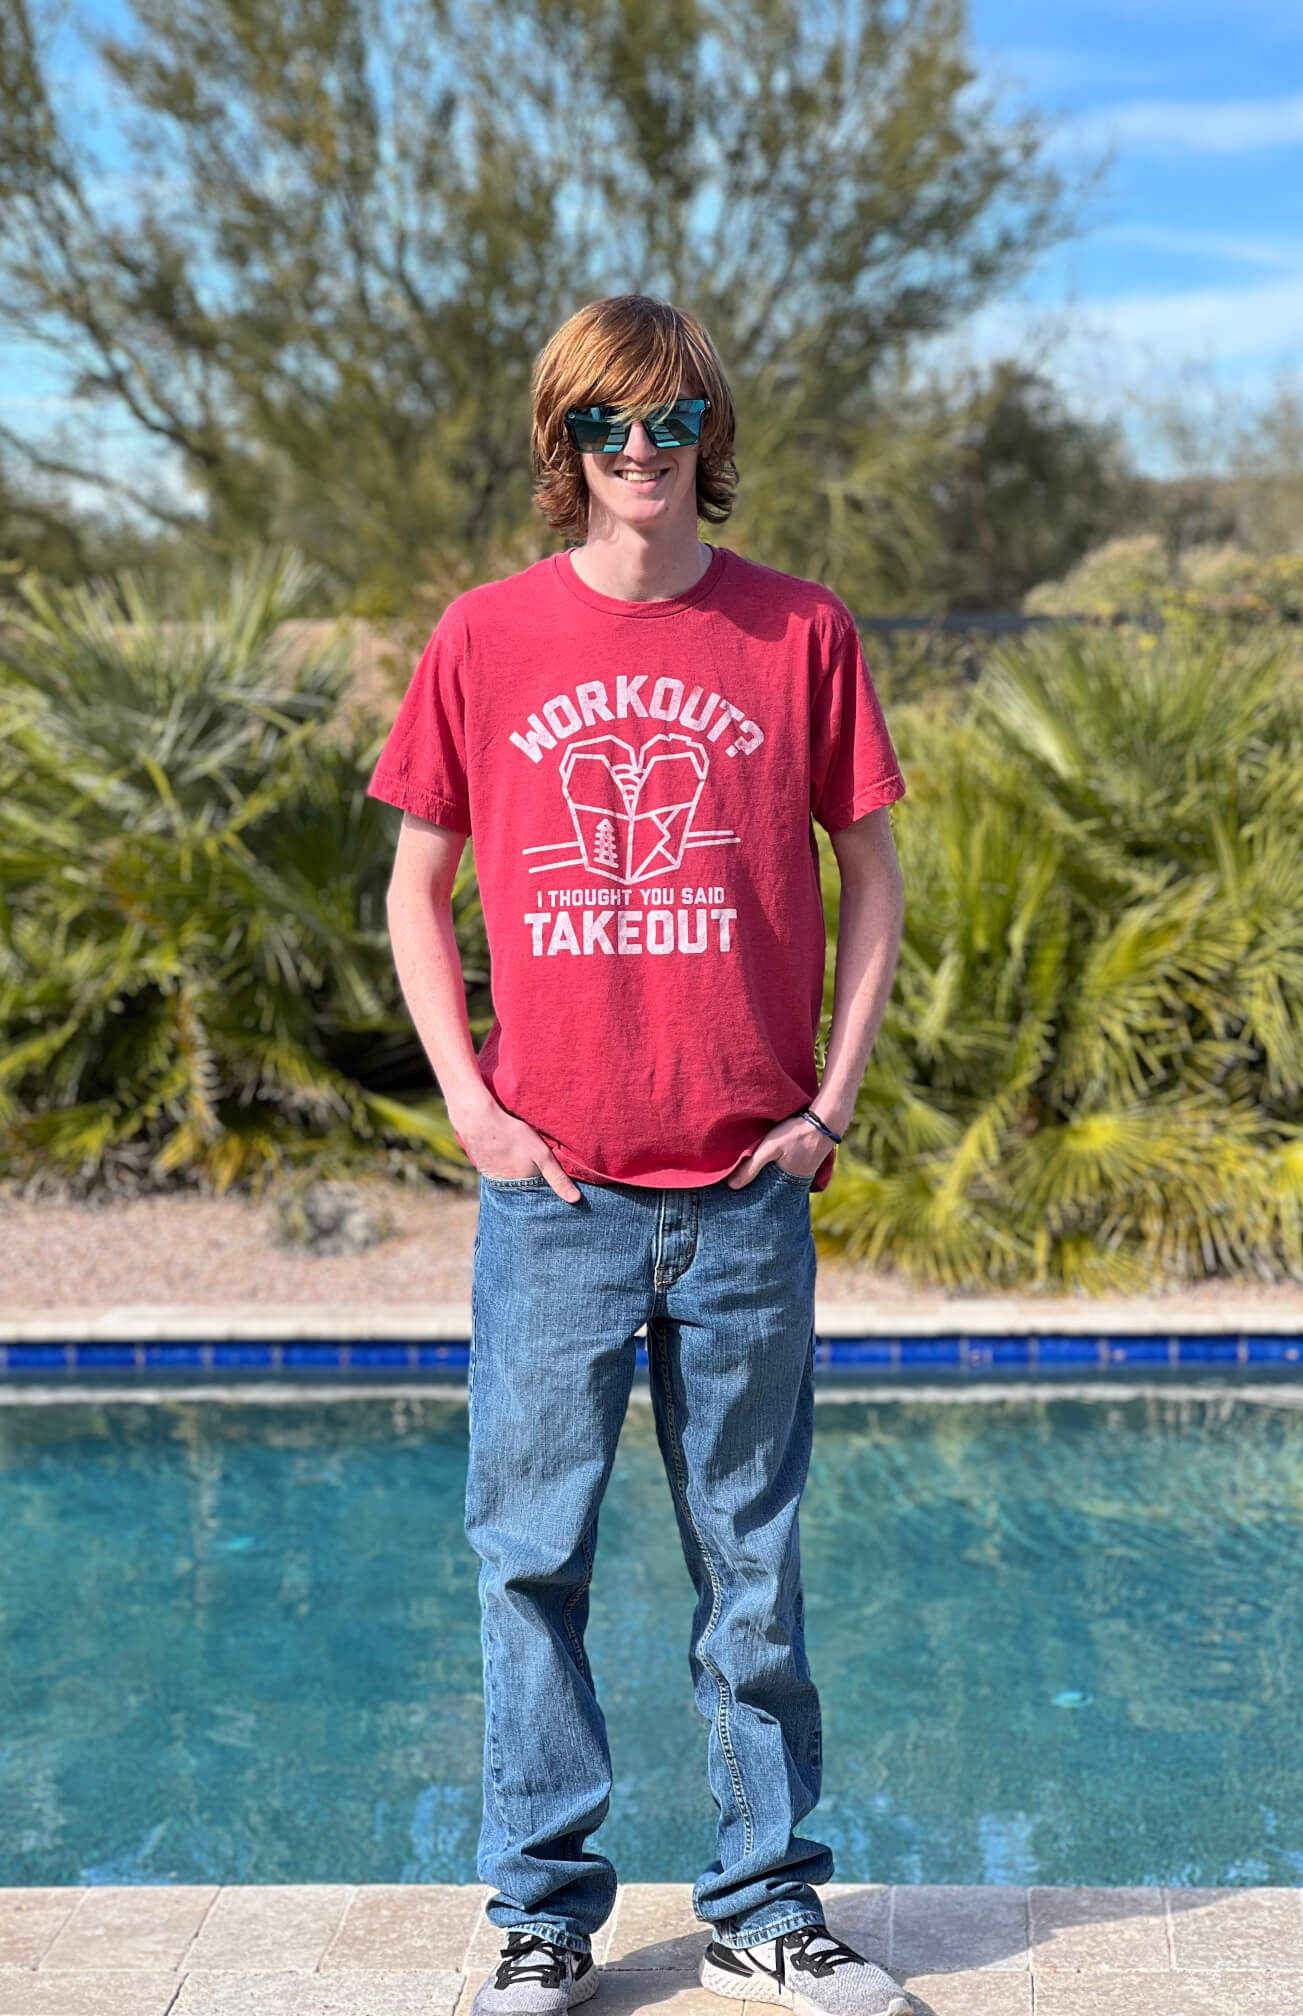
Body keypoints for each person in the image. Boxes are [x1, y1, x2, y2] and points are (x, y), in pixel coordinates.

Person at [369, 294, 910, 2016]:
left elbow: (874, 877)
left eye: (674, 425)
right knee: (530, 1558)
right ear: (566, 445)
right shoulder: (485, 636)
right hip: (559, 1199)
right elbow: (413, 888)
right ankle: (542, 1913)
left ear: (709, 440)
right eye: (610, 428)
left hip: (748, 1191)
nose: (642, 457)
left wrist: (826, 1107)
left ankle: (766, 1896)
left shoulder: (798, 633)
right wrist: (471, 1102)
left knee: (751, 1563)